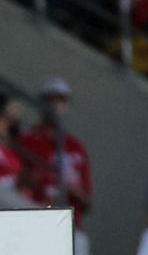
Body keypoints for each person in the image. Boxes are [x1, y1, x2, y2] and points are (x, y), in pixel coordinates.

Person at [17, 77, 92, 221]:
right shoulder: (27, 140)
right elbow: (14, 178)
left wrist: (75, 191)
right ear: (42, 103)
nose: (56, 105)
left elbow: (88, 200)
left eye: (61, 100)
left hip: (70, 223)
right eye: (51, 100)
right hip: (35, 216)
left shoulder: (76, 148)